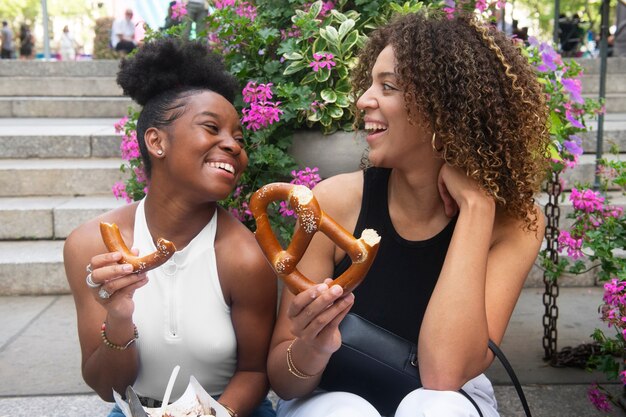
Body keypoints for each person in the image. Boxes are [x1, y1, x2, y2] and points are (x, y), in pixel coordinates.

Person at [267, 11, 549, 417]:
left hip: (446, 398)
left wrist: (475, 205)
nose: (363, 100)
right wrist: (310, 346)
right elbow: (283, 378)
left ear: (446, 108)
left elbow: (444, 374)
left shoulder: (513, 224)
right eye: (370, 84)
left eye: (388, 87)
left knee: (437, 409)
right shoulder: (333, 202)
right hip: (329, 397)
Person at [64, 37, 277, 417]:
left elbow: (254, 371)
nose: (232, 146)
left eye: (239, 138)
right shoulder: (89, 245)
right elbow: (104, 387)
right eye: (212, 128)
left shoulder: (244, 257)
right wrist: (118, 316)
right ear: (156, 141)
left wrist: (214, 414)